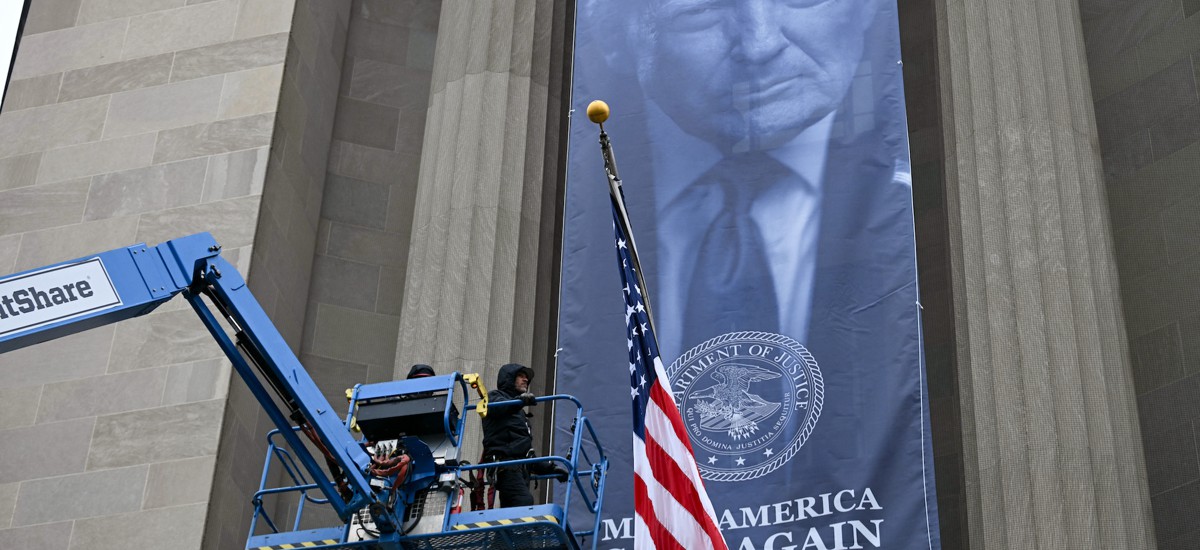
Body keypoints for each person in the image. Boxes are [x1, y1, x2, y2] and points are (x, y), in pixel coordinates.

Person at [583, 0, 905, 359]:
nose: (760, 45)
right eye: (701, 12)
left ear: (867, 9)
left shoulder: (911, 208)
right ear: (614, 38)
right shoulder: (570, 221)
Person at [480, 363, 567, 508]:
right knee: (523, 501)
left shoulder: (519, 413)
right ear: (508, 378)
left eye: (526, 377)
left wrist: (551, 469)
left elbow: (526, 453)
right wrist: (520, 401)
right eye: (521, 376)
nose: (525, 380)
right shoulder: (494, 397)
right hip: (506, 467)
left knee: (518, 506)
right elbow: (499, 407)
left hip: (521, 470)